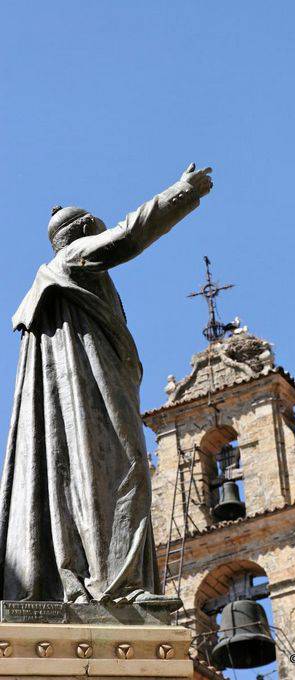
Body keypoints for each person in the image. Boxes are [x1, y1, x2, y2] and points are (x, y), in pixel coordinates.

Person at [0, 163, 213, 603]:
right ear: (85, 229)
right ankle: (122, 585)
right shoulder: (75, 260)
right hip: (92, 393)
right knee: (123, 466)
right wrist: (183, 192)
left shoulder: (46, 292)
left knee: (82, 478)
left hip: (76, 401)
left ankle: (87, 575)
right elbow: (129, 235)